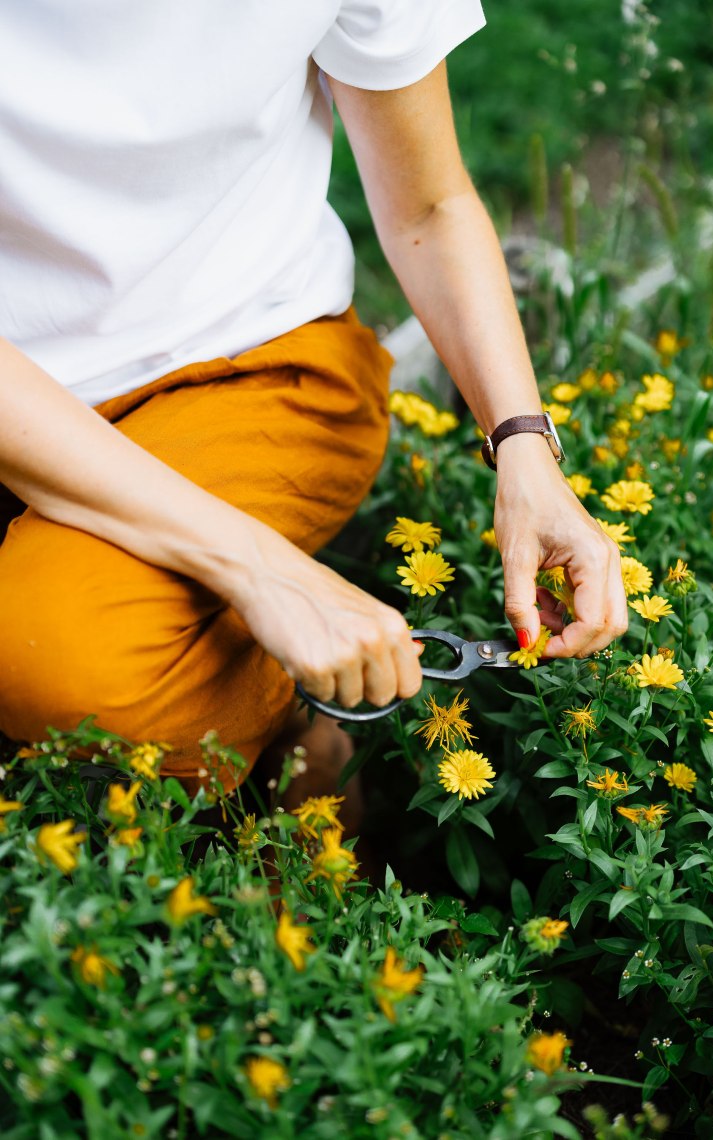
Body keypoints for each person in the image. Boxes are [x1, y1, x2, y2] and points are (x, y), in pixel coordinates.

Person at [0, 1, 627, 799]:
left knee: (59, 663)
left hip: (251, 365)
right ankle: (282, 692)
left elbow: (430, 206)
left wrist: (526, 451)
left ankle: (303, 738)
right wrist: (260, 569)